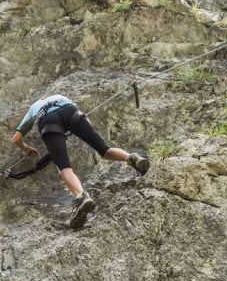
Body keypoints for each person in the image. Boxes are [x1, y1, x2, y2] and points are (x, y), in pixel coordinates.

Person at [12, 94, 149, 229]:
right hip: (70, 111)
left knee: (64, 169)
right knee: (105, 150)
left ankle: (81, 196)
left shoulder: (33, 108)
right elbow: (86, 121)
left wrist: (27, 149)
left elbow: (16, 139)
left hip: (48, 120)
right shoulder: (60, 96)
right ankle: (132, 158)